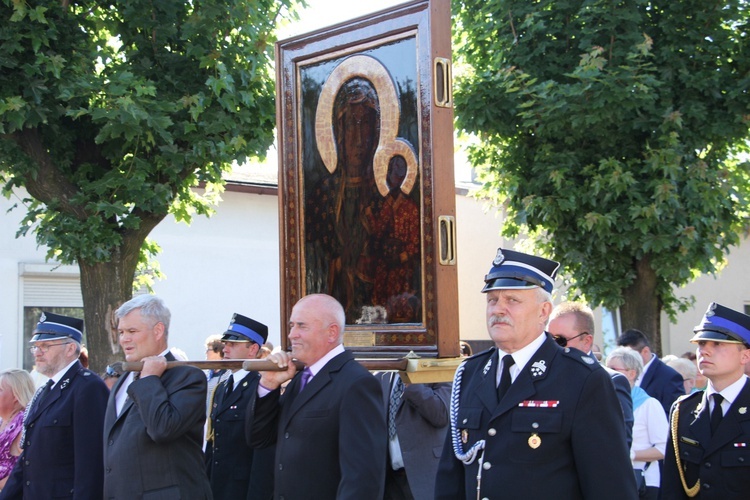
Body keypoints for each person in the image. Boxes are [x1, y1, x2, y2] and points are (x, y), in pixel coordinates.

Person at [435, 248, 637, 499]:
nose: (498, 309)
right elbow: (450, 479)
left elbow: (610, 486)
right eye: (492, 300)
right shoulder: (470, 373)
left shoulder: (582, 378)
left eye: (512, 301)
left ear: (543, 312)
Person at [247, 294, 386, 499]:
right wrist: (268, 384)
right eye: (291, 325)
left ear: (332, 332)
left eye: (302, 326)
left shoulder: (356, 384)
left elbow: (362, 478)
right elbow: (259, 439)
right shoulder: (301, 378)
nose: (292, 334)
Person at [103, 295, 212, 499]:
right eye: (121, 332)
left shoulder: (188, 377)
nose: (124, 339)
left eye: (132, 331)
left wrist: (149, 379)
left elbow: (163, 429)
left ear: (158, 330)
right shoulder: (122, 380)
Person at [0, 312, 109, 499]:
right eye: (35, 347)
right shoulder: (44, 391)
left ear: (70, 348)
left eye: (46, 346)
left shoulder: (88, 387)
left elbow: (91, 464)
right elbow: (27, 461)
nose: (38, 352)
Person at [662, 302, 750, 499]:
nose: (705, 351)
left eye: (717, 344)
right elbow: (671, 487)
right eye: (701, 344)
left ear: (745, 355)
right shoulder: (683, 410)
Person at [548, 301, 635, 448]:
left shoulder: (611, 381)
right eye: (548, 340)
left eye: (560, 341)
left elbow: (618, 447)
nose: (553, 347)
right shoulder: (541, 379)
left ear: (587, 341)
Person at [206, 313, 273, 499]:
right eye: (225, 343)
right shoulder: (221, 388)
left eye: (233, 344)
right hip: (218, 487)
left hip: (243, 490)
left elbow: (261, 453)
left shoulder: (260, 388)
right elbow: (214, 443)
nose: (225, 349)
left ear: (252, 349)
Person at [373, 371, 450, 500]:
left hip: (427, 478)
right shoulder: (382, 375)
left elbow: (441, 415)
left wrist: (411, 381)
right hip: (391, 481)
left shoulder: (439, 366)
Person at [606, 347, 668, 499]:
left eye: (613, 369)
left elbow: (663, 449)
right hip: (614, 477)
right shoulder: (605, 401)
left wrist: (630, 454)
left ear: (632, 373)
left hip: (643, 481)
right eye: (606, 368)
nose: (607, 372)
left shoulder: (649, 404)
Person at [616, 328, 685, 415]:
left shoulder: (669, 377)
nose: (624, 360)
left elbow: (674, 415)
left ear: (645, 351)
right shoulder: (622, 372)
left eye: (629, 355)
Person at [0, 370, 34, 491]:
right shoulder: (4, 421)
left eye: (0, 390)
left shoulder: (22, 423)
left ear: (15, 395)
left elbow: (29, 469)